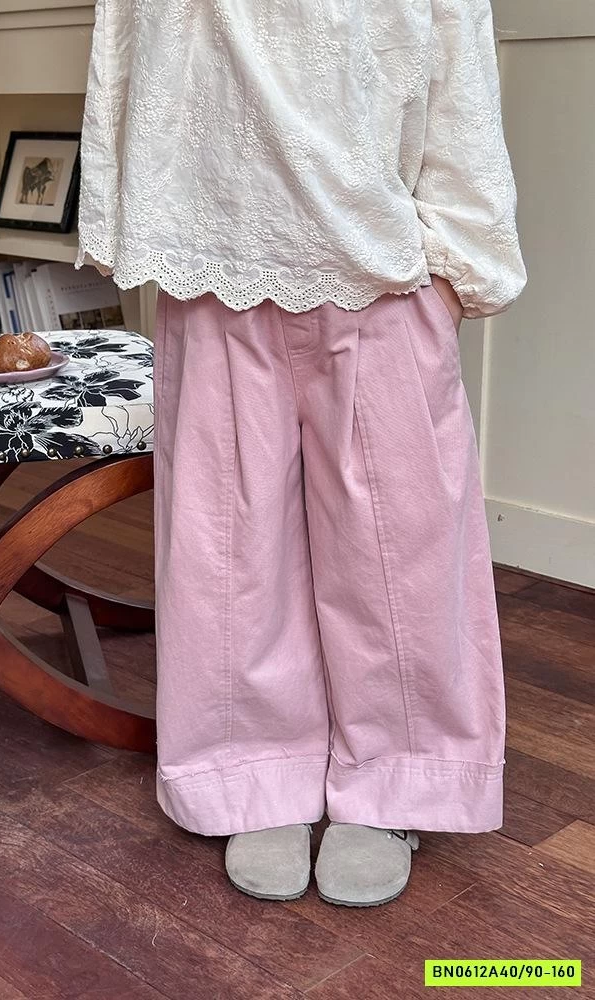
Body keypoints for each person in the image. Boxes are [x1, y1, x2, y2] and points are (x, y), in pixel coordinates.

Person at [76, 0, 526, 907]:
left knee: (401, 551)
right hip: (212, 263)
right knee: (226, 548)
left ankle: (403, 778)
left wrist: (459, 266)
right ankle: (250, 768)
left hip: (381, 270)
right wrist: (129, 218)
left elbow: (458, 73)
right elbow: (124, 43)